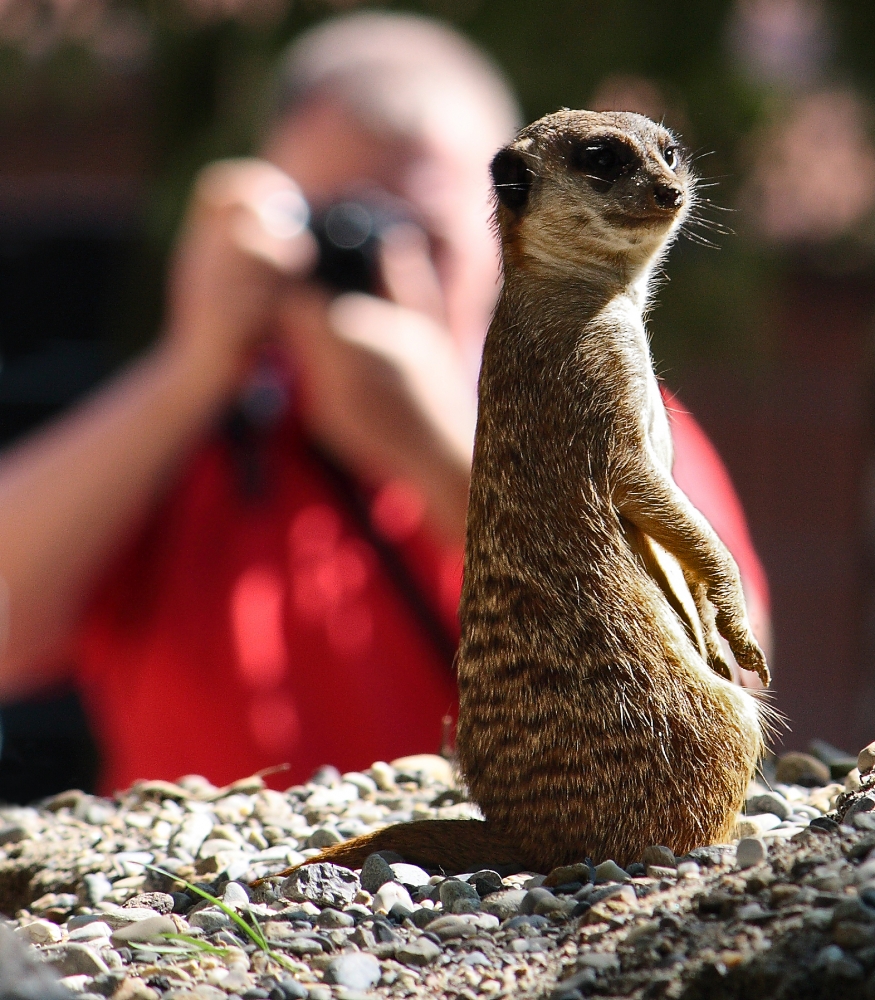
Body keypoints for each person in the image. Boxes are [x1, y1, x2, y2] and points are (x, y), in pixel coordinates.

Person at [0, 12, 770, 797]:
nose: (382, 264)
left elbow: (714, 696)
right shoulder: (193, 439)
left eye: (422, 234)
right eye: (342, 231)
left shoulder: (607, 406)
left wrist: (439, 446)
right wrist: (190, 369)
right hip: (181, 913)